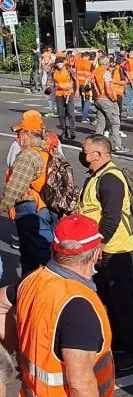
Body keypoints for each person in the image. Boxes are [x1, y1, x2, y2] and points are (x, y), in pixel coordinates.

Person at [0, 214, 115, 397]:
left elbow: (1, 302)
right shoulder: (79, 306)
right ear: (94, 253)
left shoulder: (34, 279)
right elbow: (80, 384)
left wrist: (15, 348)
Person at [77, 135, 133, 372]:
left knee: (122, 302)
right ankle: (117, 344)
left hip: (116, 252)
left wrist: (98, 247)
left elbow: (112, 218)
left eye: (86, 152)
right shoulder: (98, 176)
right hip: (106, 250)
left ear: (98, 155)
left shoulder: (110, 180)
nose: (83, 156)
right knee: (108, 301)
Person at [0, 112, 55, 275]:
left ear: (30, 134)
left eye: (20, 133)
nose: (17, 137)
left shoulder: (28, 155)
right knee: (42, 249)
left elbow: (14, 189)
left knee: (35, 255)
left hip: (31, 207)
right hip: (45, 205)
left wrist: (3, 206)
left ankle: (35, 289)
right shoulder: (49, 147)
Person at [93, 55, 129, 153]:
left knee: (101, 123)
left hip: (98, 98)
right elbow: (108, 88)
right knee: (115, 122)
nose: (110, 64)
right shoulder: (106, 73)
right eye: (109, 62)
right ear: (105, 63)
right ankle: (118, 145)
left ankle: (96, 145)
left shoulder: (96, 71)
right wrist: (113, 99)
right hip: (106, 99)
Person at [51, 56, 79, 140]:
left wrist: (77, 91)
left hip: (68, 93)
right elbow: (52, 82)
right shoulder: (53, 71)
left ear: (63, 63)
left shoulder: (68, 70)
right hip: (59, 94)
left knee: (71, 113)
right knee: (61, 114)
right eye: (58, 62)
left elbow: (76, 80)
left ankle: (72, 131)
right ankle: (64, 131)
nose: (59, 64)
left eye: (61, 62)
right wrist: (51, 90)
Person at [75, 52, 95, 124]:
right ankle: (84, 117)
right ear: (88, 56)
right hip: (86, 85)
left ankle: (83, 115)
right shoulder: (90, 64)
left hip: (78, 83)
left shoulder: (77, 62)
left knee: (82, 100)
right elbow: (92, 74)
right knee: (87, 101)